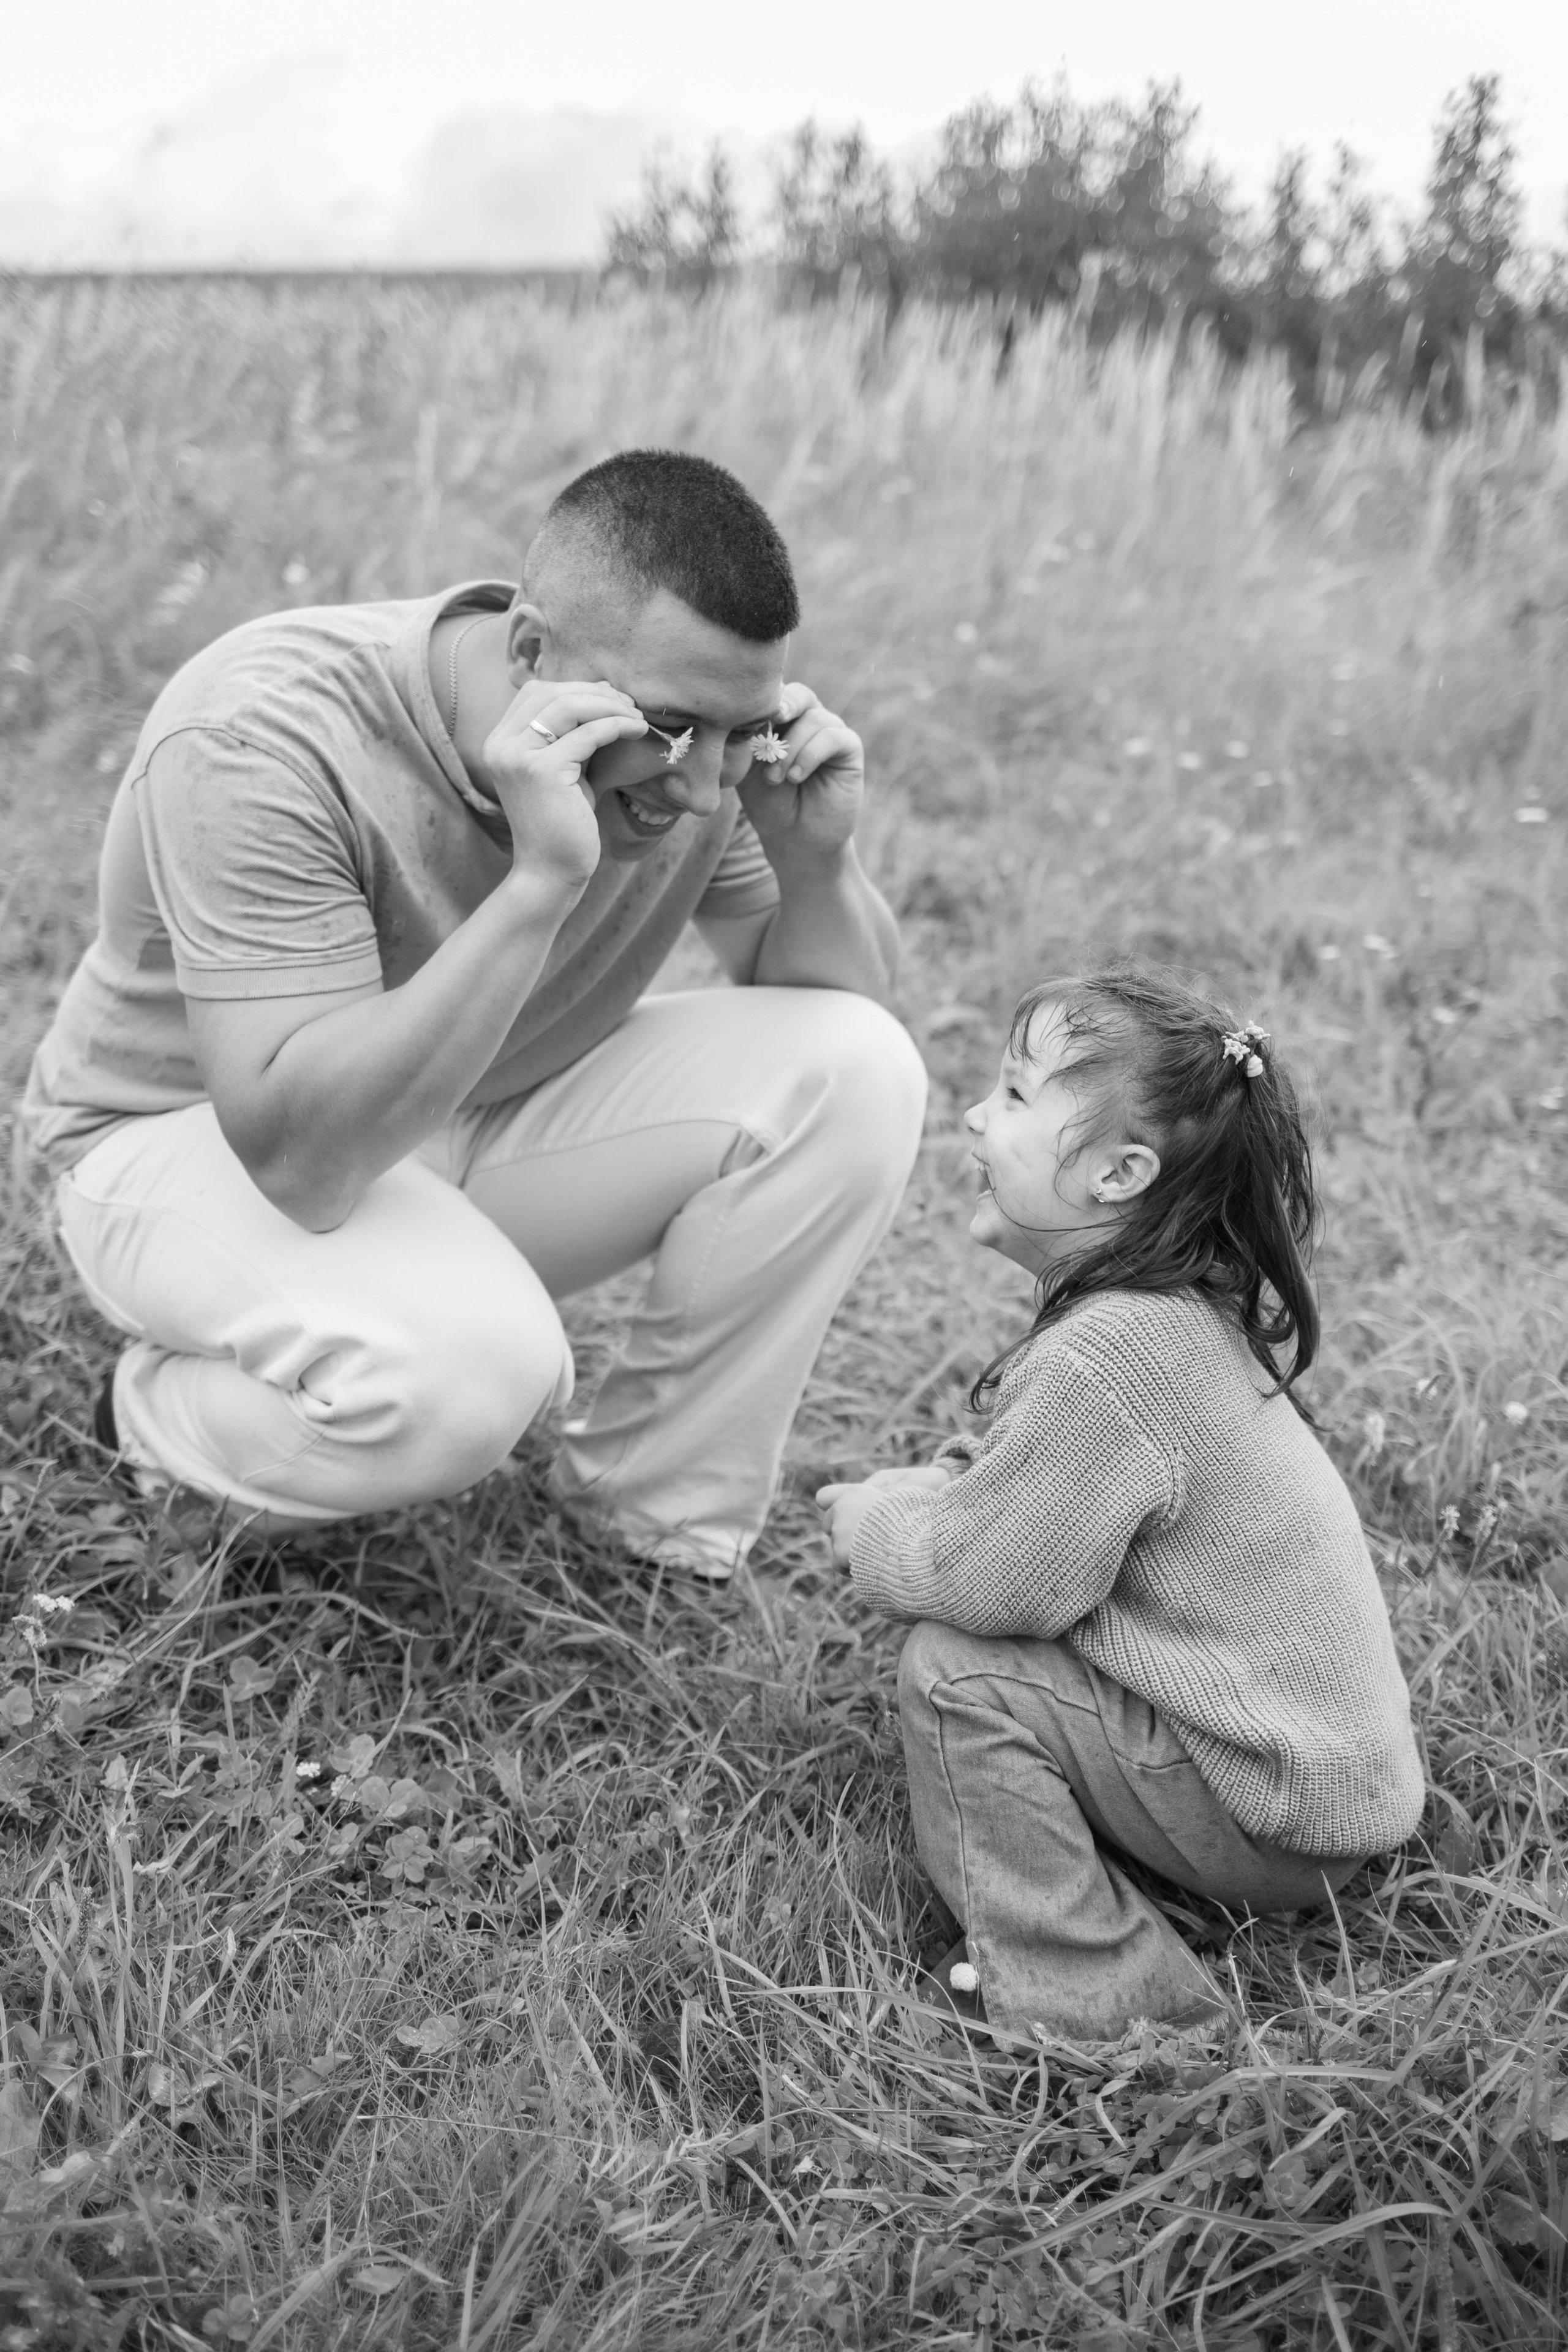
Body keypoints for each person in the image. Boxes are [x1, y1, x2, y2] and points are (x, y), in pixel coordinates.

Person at [23, 449, 927, 1578]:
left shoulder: (699, 745)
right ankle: (154, 1426)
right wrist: (539, 883)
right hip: (178, 1147)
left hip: (465, 1115)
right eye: (674, 727)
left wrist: (816, 860)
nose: (705, 789)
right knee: (476, 1373)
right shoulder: (264, 732)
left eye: (743, 733)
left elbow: (837, 1016)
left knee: (862, 1068)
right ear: (533, 650)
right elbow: (306, 1160)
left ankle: (650, 1525)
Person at [816, 962, 1425, 2041]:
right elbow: (1029, 1499)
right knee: (971, 1579)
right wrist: (942, 1497)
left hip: (1275, 1815)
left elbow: (993, 1585)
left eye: (1013, 1096)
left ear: (1117, 1174)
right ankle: (1151, 1878)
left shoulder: (1110, 1355)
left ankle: (1099, 2001)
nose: (972, 1114)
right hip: (1320, 1789)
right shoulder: (1169, 1319)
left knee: (959, 1674)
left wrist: (878, 1534)